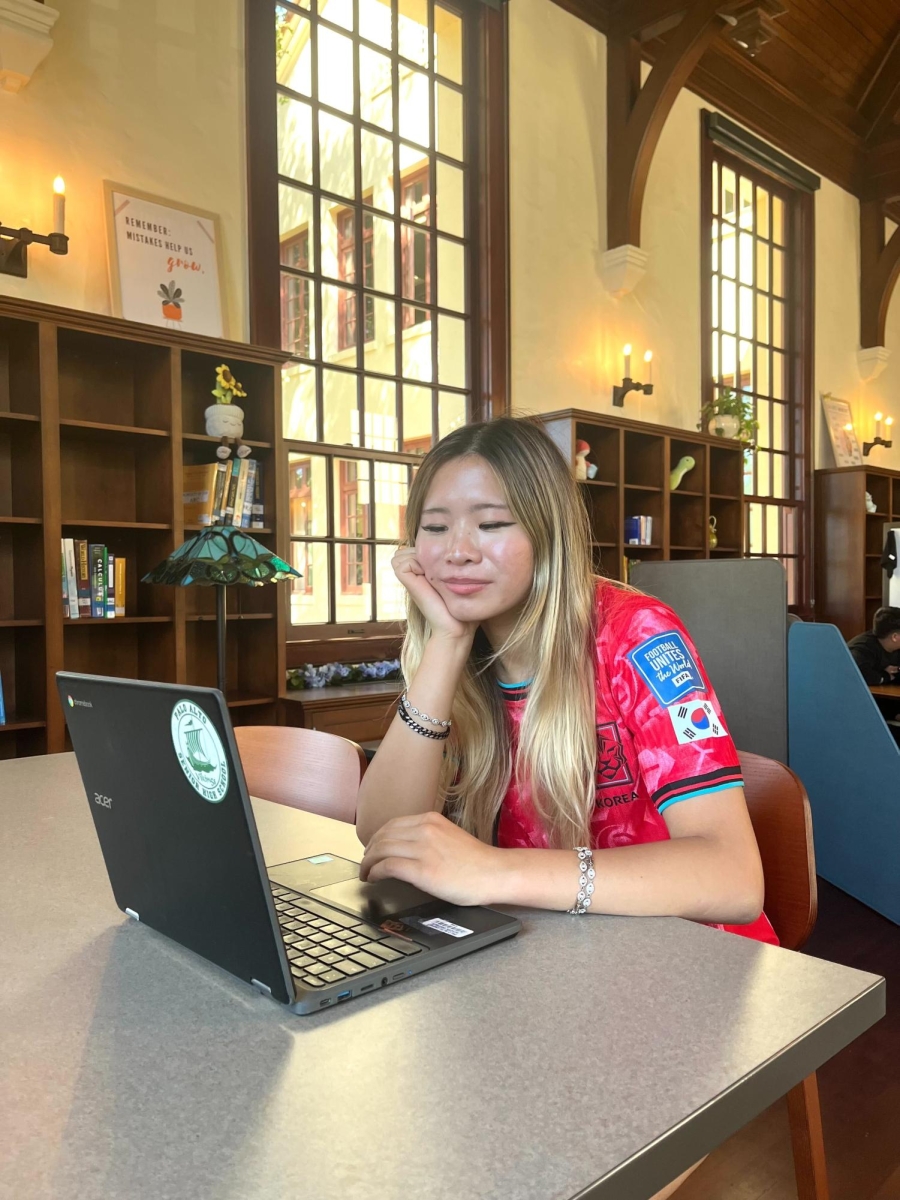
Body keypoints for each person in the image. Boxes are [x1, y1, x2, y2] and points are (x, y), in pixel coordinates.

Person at [355, 416, 775, 1199]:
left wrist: (496, 871)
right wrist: (442, 648)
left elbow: (735, 876)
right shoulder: (462, 646)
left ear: (546, 530)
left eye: (491, 523)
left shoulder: (637, 636)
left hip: (696, 967)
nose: (458, 549)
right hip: (555, 966)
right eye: (435, 527)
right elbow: (383, 835)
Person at [848, 608, 900, 686]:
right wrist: (885, 676)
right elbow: (858, 675)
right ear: (895, 637)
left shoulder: (893, 645)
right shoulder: (862, 649)